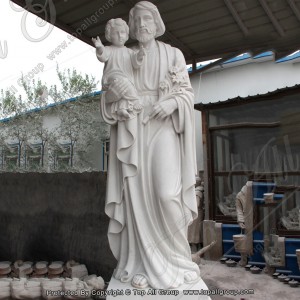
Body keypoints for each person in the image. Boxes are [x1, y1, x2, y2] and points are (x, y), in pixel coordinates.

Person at [100, 1, 200, 289]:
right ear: (131, 27)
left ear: (157, 24)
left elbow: (186, 94)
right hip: (133, 131)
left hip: (163, 129)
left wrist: (171, 103)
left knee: (167, 193)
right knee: (135, 199)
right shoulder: (125, 56)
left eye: (147, 19)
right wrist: (114, 98)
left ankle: (178, 260)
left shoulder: (173, 54)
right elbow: (109, 90)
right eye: (137, 21)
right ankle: (141, 263)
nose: (142, 25)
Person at [92, 18, 145, 121]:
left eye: (123, 32)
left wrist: (140, 55)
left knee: (124, 90)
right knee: (123, 86)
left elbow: (136, 63)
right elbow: (103, 56)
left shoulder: (129, 52)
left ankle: (121, 108)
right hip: (112, 77)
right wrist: (100, 48)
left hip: (126, 79)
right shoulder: (109, 49)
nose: (120, 36)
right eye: (116, 33)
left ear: (127, 34)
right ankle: (135, 100)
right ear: (109, 36)